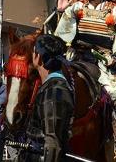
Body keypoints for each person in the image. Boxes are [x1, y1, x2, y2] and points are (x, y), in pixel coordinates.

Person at [18, 34, 74, 162]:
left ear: (38, 57)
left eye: (33, 52)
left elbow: (52, 145)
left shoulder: (54, 90)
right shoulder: (52, 86)